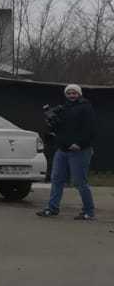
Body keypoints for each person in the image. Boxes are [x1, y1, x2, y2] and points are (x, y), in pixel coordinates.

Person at [39, 83, 96, 221]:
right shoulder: (63, 108)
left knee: (79, 181)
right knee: (56, 179)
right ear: (66, 94)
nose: (71, 95)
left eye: (74, 93)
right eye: (69, 93)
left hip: (80, 150)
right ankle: (52, 208)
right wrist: (52, 121)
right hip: (63, 149)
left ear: (79, 94)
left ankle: (88, 211)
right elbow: (59, 128)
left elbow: (90, 129)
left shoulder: (85, 107)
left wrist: (79, 143)